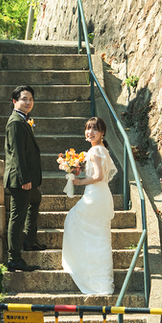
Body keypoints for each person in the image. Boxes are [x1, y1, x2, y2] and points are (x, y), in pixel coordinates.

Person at [61, 116, 115, 296]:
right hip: (102, 195)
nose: (90, 132)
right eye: (88, 128)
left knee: (72, 220)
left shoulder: (94, 151)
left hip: (95, 195)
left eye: (95, 129)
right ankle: (100, 279)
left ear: (102, 133)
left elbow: (98, 176)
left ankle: (86, 270)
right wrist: (74, 167)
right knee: (99, 236)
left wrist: (79, 181)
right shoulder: (101, 150)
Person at [4, 85, 42, 272]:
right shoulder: (15, 122)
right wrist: (24, 178)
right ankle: (14, 258)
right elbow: (17, 154)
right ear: (15, 102)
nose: (28, 102)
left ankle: (30, 241)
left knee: (36, 199)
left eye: (31, 99)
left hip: (27, 178)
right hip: (19, 179)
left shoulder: (23, 120)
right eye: (24, 99)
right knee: (17, 217)